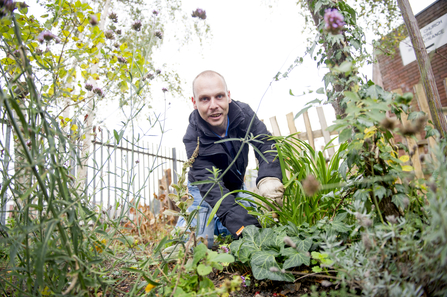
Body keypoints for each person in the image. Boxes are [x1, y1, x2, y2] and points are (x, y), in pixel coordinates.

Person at [176, 70, 284, 248]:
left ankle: (220, 225)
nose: (213, 105)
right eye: (204, 99)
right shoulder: (192, 138)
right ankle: (192, 226)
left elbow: (265, 142)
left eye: (219, 96)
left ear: (228, 96)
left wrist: (269, 177)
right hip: (203, 190)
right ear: (194, 102)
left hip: (235, 186)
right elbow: (211, 187)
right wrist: (245, 228)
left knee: (244, 224)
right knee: (198, 244)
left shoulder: (243, 115)